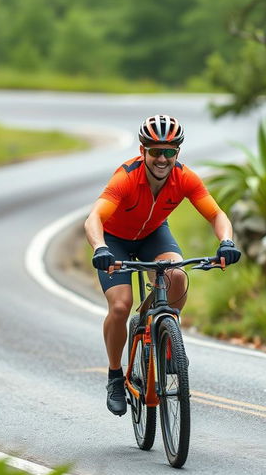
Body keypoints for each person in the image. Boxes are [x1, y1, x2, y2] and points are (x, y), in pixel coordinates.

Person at [84, 114, 241, 416]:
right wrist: (100, 247)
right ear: (142, 151)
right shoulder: (126, 178)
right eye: (155, 151)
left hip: (153, 235)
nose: (162, 158)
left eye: (169, 152)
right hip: (114, 240)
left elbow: (216, 214)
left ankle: (164, 330)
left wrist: (226, 242)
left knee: (177, 276)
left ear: (177, 153)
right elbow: (94, 218)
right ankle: (116, 375)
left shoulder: (185, 178)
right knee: (120, 306)